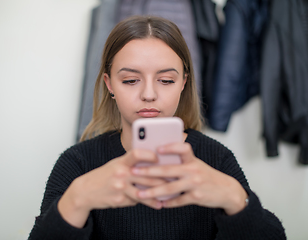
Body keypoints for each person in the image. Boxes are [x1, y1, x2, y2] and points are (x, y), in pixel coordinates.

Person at [28, 16, 286, 240]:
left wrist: (235, 199)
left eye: (165, 80)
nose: (149, 94)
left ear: (183, 82)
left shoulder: (217, 159)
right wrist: (77, 200)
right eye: (130, 80)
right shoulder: (77, 163)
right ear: (109, 84)